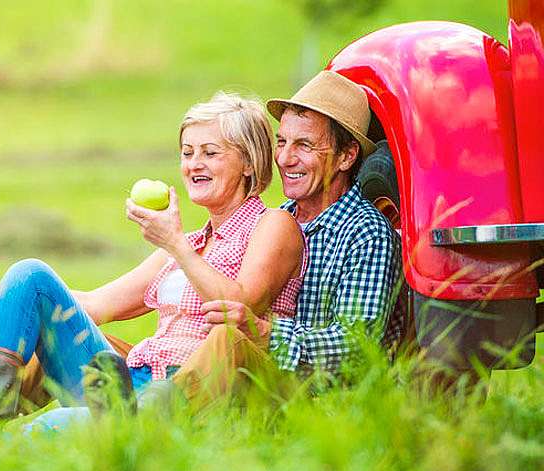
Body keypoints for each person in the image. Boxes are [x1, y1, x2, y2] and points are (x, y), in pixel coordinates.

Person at [0, 92, 306, 422]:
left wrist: (174, 244)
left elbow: (238, 306)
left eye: (210, 153)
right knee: (30, 275)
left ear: (249, 163)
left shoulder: (272, 226)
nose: (194, 164)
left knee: (49, 430)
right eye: (187, 152)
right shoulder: (188, 242)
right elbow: (95, 305)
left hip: (182, 395)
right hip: (130, 379)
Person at [154, 70, 405, 408]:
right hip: (255, 384)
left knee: (227, 340)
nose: (285, 158)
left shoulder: (367, 233)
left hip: (316, 404)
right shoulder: (274, 219)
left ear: (346, 156)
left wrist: (265, 333)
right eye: (282, 141)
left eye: (304, 145)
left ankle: (139, 420)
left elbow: (356, 349)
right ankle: (126, 405)